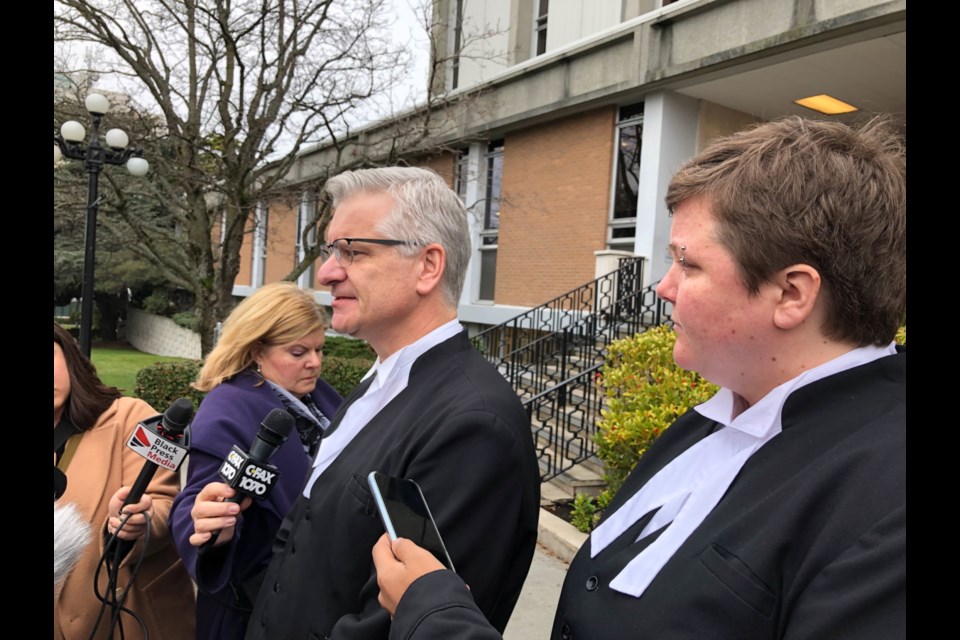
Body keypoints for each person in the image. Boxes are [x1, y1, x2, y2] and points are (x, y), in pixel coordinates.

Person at [372, 115, 907, 640]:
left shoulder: (887, 503)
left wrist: (433, 616)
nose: (662, 287)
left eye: (688, 264)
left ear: (792, 294)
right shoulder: (712, 421)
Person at [188, 167, 541, 640]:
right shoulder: (375, 385)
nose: (328, 272)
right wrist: (230, 534)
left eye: (353, 251)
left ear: (428, 266)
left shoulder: (473, 426)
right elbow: (307, 555)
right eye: (331, 251)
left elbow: (404, 623)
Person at [169, 282, 343, 639]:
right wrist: (207, 523)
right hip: (253, 615)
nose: (314, 363)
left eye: (319, 349)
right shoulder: (227, 409)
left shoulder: (321, 398)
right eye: (298, 352)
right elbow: (202, 496)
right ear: (256, 351)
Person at [53, 322, 196, 640]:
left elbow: (164, 504)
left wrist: (138, 522)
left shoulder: (130, 418)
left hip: (127, 620)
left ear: (68, 357)